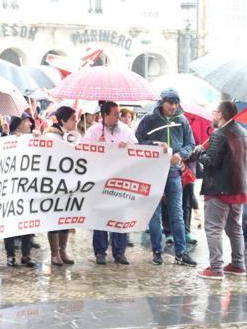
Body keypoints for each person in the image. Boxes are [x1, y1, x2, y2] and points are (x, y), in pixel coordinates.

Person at [135, 88, 197, 267]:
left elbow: (190, 144)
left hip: (173, 173)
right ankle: (156, 252)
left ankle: (181, 253)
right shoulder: (149, 119)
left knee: (177, 214)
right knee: (154, 215)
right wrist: (155, 144)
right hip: (153, 172)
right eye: (170, 103)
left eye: (176, 103)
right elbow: (138, 141)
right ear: (161, 102)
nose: (174, 106)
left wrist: (181, 154)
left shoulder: (182, 120)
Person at [195, 101, 247, 279]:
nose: (213, 115)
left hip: (219, 189)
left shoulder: (219, 134)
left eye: (215, 112)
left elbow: (211, 162)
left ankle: (216, 268)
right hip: (238, 188)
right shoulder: (243, 132)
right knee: (234, 228)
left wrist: (199, 152)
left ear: (221, 115)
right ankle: (238, 264)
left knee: (214, 228)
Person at [82, 102, 138, 265]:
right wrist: (96, 146)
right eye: (114, 114)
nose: (117, 117)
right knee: (100, 215)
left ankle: (119, 252)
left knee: (119, 215)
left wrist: (127, 146)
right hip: (100, 179)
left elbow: (136, 148)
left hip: (120, 179)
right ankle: (100, 251)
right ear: (105, 115)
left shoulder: (126, 130)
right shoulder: (93, 131)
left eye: (118, 113)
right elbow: (83, 153)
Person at [3, 112, 39, 268]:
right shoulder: (7, 140)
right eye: (27, 121)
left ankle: (26, 255)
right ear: (18, 123)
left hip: (29, 188)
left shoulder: (33, 139)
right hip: (10, 189)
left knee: (27, 223)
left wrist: (40, 139)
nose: (30, 124)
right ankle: (10, 255)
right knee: (10, 224)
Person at [43, 106, 77, 266]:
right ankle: (54, 253)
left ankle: (63, 250)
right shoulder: (51, 136)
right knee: (54, 218)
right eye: (72, 119)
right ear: (63, 120)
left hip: (69, 183)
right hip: (54, 184)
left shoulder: (72, 136)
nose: (75, 122)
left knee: (66, 218)